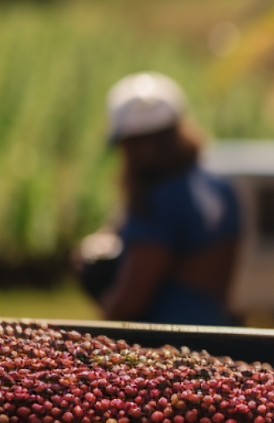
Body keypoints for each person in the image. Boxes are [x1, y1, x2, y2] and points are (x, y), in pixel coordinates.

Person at [81, 72, 241, 326]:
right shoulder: (218, 182)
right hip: (217, 325)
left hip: (168, 338)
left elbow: (131, 300)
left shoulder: (159, 199)